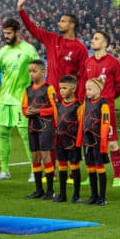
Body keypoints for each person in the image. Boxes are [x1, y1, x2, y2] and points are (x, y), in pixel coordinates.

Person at [17, 0, 89, 100]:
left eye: (63, 21)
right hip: (49, 94)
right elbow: (33, 28)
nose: (59, 23)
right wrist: (21, 9)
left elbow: (84, 76)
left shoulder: (81, 48)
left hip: (68, 98)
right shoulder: (52, 39)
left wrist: (79, 99)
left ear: (72, 25)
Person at [0, 18, 39, 181]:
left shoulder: (29, 50)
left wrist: (36, 95)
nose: (5, 36)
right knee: (3, 134)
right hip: (4, 99)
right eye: (4, 33)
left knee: (26, 135)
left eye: (8, 33)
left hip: (22, 99)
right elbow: (5, 73)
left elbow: (39, 71)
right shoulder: (2, 52)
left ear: (17, 32)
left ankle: (35, 171)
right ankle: (5, 170)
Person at [85, 31, 120, 186]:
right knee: (90, 142)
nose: (92, 40)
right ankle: (91, 175)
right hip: (90, 109)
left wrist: (108, 98)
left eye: (96, 38)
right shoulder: (88, 62)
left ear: (105, 44)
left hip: (105, 110)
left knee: (112, 143)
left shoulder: (113, 63)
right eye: (93, 37)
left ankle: (117, 177)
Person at [23, 59, 57, 199]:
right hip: (32, 127)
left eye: (34, 71)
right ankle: (38, 190)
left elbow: (55, 107)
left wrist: (39, 112)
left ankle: (50, 191)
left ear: (43, 72)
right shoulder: (28, 90)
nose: (31, 74)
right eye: (30, 71)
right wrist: (27, 112)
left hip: (46, 127)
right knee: (35, 157)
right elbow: (24, 107)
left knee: (45, 156)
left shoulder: (49, 88)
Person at [76, 78, 110, 205]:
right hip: (87, 140)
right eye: (86, 89)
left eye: (89, 89)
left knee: (99, 167)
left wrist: (103, 143)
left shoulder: (103, 103)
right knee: (90, 167)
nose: (87, 91)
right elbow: (82, 119)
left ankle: (102, 198)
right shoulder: (86, 101)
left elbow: (105, 123)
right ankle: (93, 196)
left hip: (97, 141)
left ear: (98, 89)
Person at [52, 75, 83, 203]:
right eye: (60, 88)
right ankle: (62, 195)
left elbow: (81, 125)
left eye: (65, 88)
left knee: (74, 167)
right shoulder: (58, 105)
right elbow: (55, 122)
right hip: (60, 142)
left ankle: (76, 195)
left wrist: (79, 142)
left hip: (73, 142)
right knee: (62, 167)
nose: (62, 91)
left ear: (73, 89)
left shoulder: (78, 106)